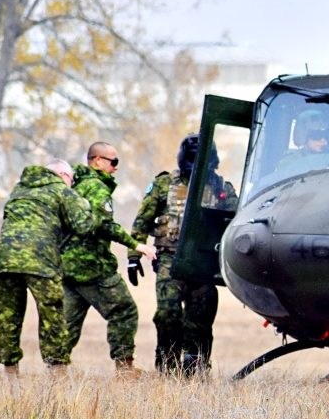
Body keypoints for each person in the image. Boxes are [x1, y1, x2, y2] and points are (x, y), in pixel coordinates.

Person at [129, 133, 238, 376]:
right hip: (170, 258)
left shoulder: (221, 188)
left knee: (200, 320)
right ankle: (168, 365)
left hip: (203, 261)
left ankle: (195, 367)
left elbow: (235, 224)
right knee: (168, 314)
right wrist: (133, 256)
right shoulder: (164, 184)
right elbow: (142, 221)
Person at [0, 159, 99, 375]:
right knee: (53, 317)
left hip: (3, 262)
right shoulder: (60, 189)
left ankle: (11, 377)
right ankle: (57, 376)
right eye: (71, 179)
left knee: (7, 319)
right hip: (40, 262)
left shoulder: (19, 189)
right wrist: (88, 207)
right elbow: (83, 225)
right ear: (64, 175)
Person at [61, 142, 156, 375]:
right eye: (113, 162)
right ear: (97, 161)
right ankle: (124, 369)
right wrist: (136, 245)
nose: (116, 167)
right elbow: (105, 226)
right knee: (124, 310)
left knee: (68, 321)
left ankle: (56, 369)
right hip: (92, 265)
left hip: (68, 265)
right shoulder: (96, 188)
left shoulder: (75, 186)